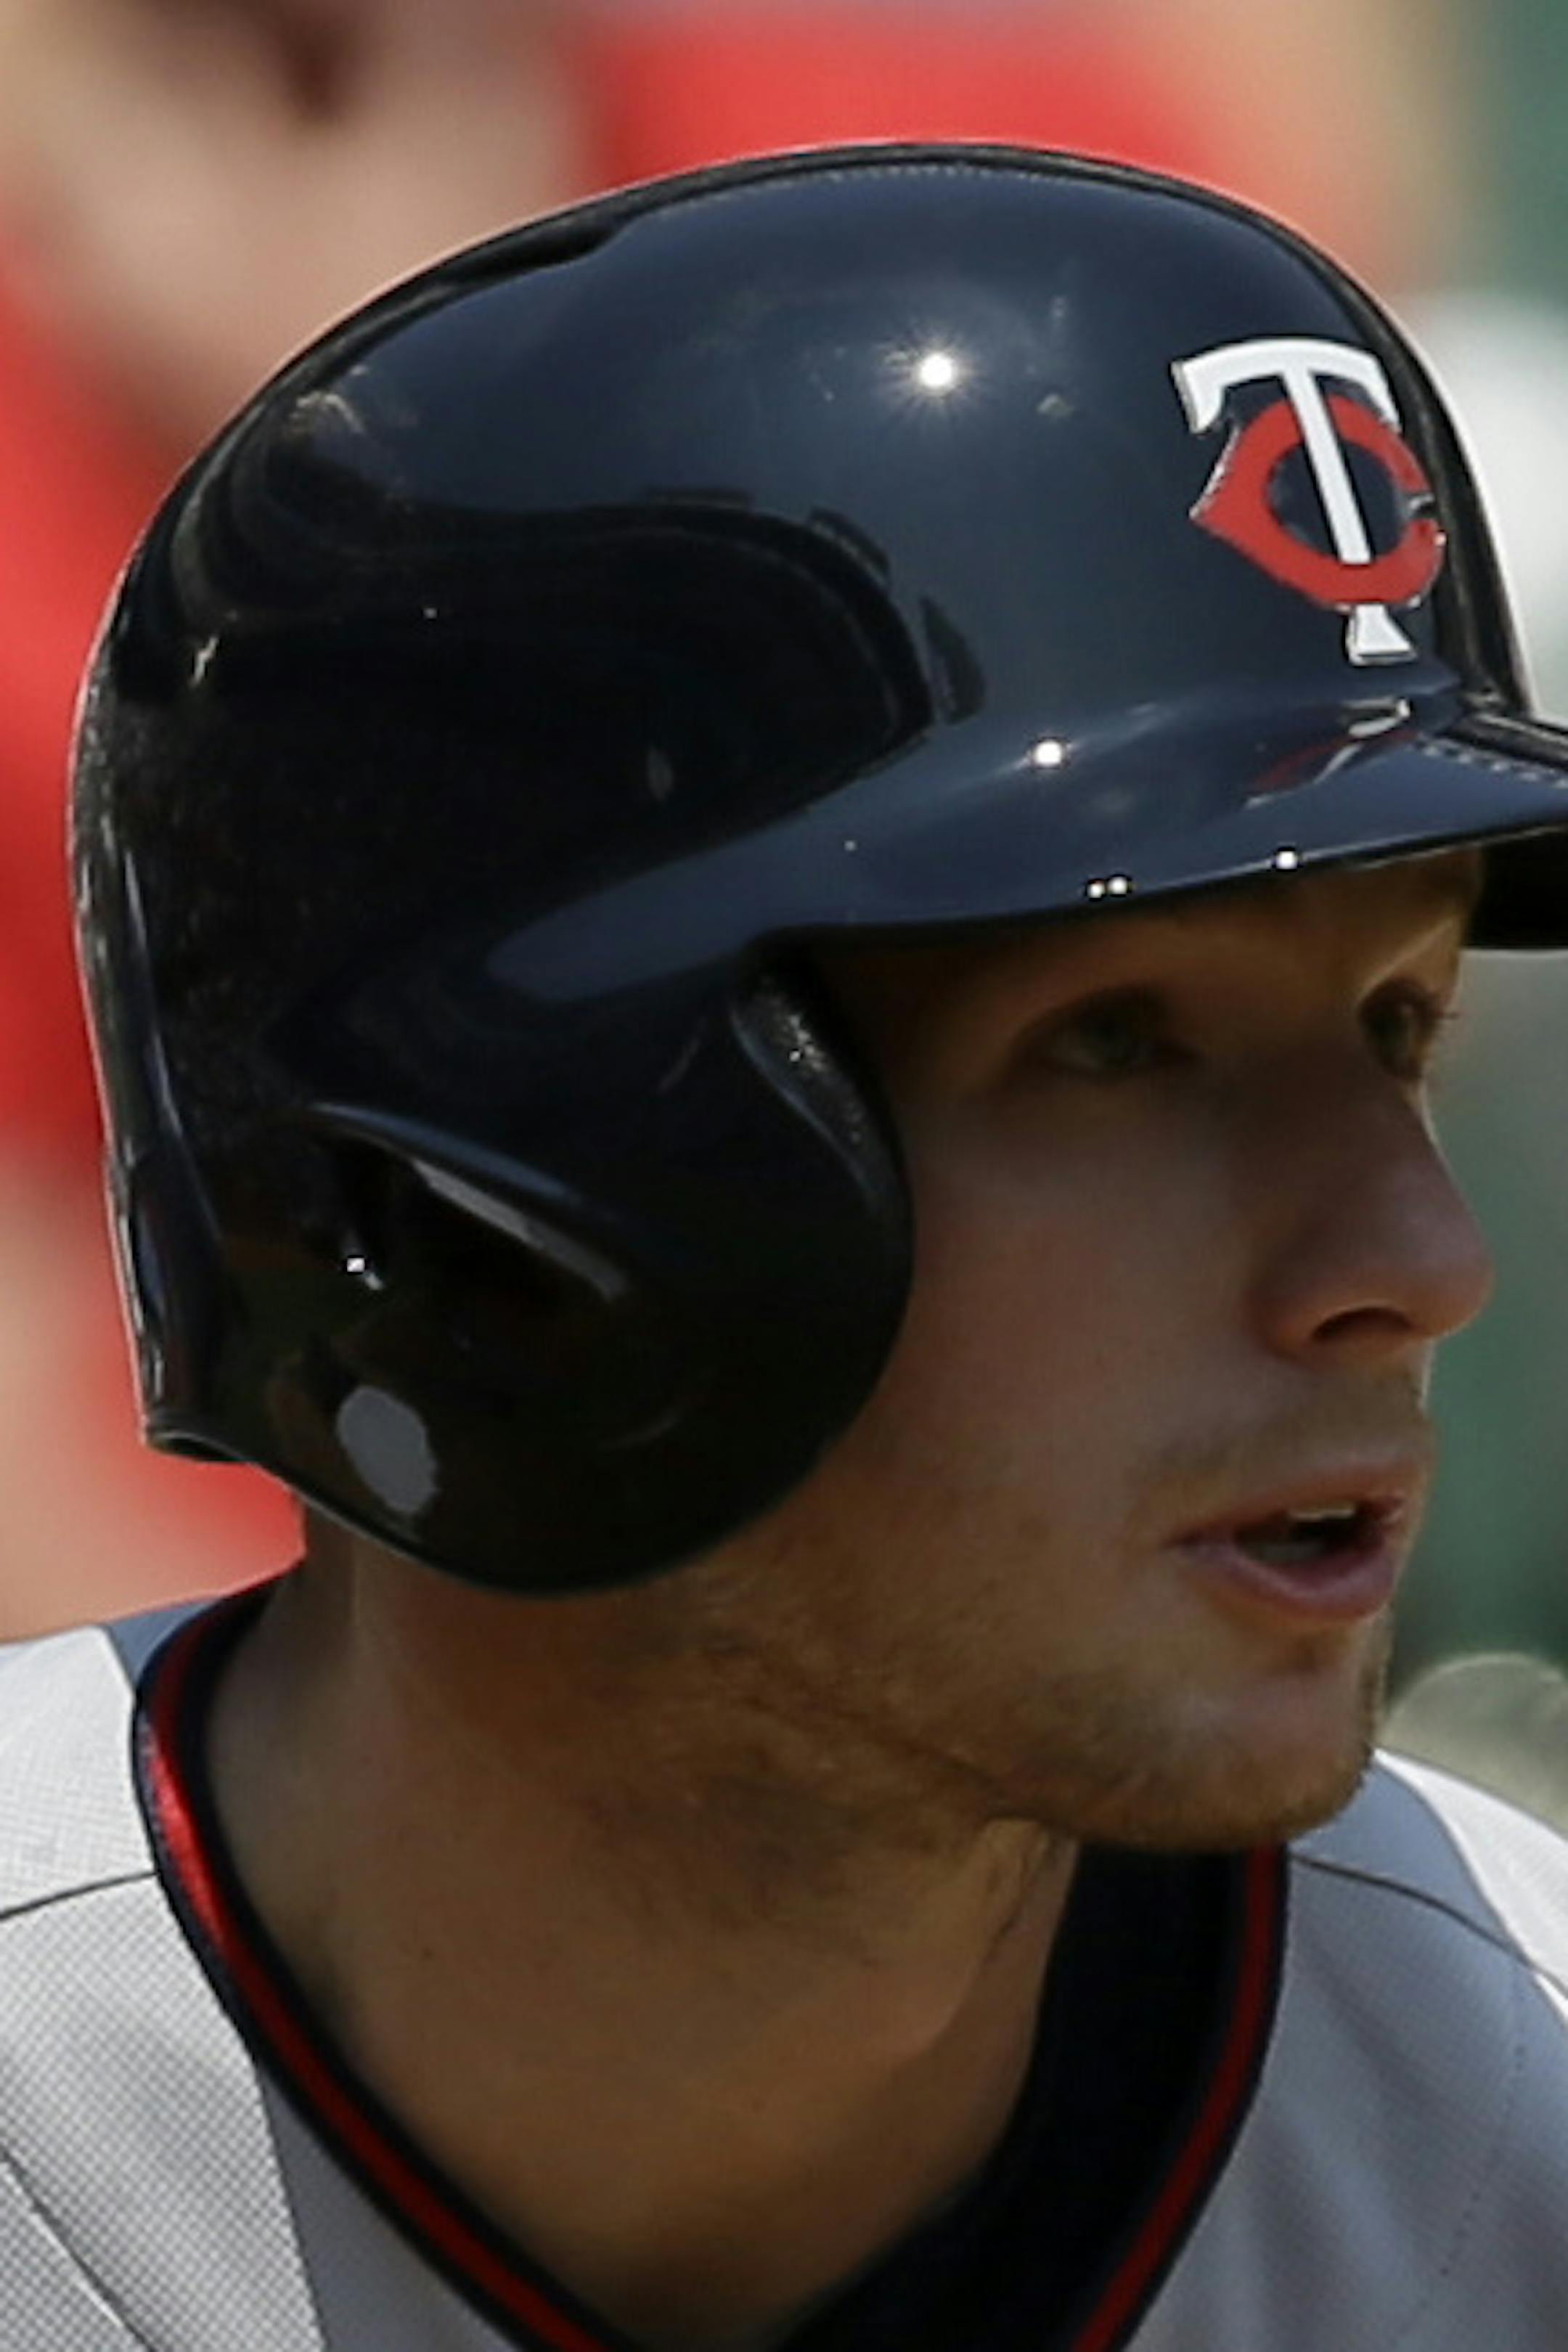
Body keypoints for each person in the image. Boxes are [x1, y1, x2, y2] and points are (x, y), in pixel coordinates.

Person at [8, 145, 1568, 2349]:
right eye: (1115, 1045)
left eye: (1399, 1025)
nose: (1416, 1258)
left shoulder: (1524, 2111)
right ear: (500, 1216)